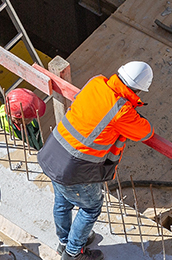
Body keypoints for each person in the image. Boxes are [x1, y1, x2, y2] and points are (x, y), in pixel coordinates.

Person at [38, 61, 155, 259]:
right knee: (91, 207)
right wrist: (133, 111)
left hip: (53, 152)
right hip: (72, 168)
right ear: (139, 90)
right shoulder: (122, 111)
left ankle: (64, 242)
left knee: (62, 201)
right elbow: (146, 132)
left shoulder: (97, 82)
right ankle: (73, 253)